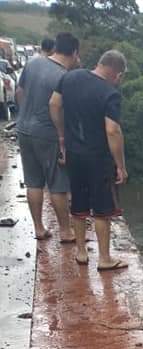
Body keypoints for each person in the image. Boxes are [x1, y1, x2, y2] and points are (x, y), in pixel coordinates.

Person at [50, 50, 128, 272]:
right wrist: (120, 165)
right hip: (99, 158)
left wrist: (62, 135)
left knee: (79, 203)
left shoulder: (70, 76)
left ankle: (81, 253)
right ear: (117, 73)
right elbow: (112, 130)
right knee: (103, 209)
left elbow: (54, 104)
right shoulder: (110, 93)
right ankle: (104, 259)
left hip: (74, 154)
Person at [15, 32, 79, 242]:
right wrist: (62, 135)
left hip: (24, 129)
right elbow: (56, 106)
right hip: (48, 134)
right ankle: (65, 231)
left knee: (33, 182)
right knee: (57, 183)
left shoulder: (33, 64)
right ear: (74, 53)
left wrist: (23, 113)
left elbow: (19, 91)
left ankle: (39, 228)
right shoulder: (64, 76)